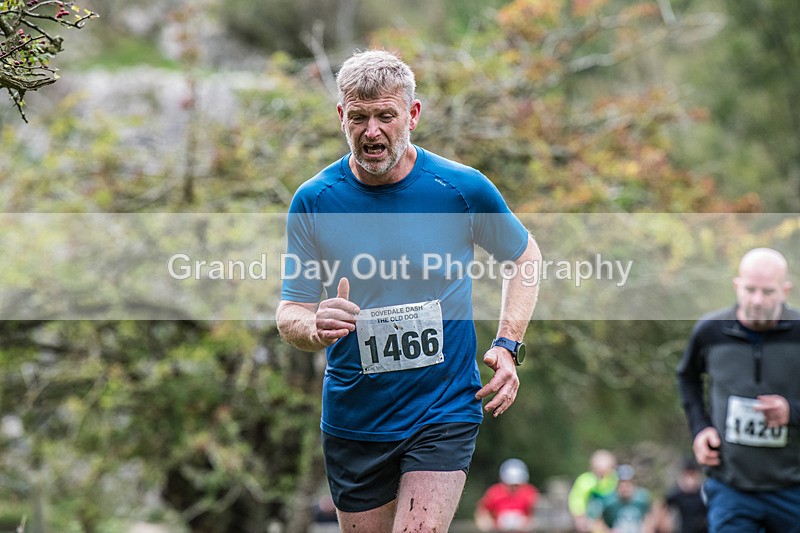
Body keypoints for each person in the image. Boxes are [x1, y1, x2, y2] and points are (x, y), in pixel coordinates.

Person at [276, 49, 541, 533]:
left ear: (412, 115)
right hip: (356, 419)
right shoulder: (314, 200)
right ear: (341, 117)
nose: (371, 131)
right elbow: (290, 311)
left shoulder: (460, 189)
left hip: (442, 409)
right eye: (358, 117)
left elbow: (524, 258)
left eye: (385, 116)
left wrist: (508, 342)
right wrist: (313, 326)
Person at [676, 247, 800, 532]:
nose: (757, 300)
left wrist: (790, 411)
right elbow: (687, 379)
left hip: (794, 486)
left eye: (768, 292)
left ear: (785, 290)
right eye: (750, 289)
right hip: (732, 487)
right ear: (737, 285)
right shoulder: (710, 331)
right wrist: (700, 428)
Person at [475, 458, 540, 532]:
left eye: (516, 485)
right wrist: (489, 525)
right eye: (510, 484)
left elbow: (538, 516)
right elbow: (482, 513)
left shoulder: (530, 493)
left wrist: (528, 524)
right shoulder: (494, 492)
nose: (514, 488)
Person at [587, 464, 654, 533]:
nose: (624, 488)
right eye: (621, 484)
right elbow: (596, 522)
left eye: (627, 483)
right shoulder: (608, 501)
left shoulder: (643, 498)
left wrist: (647, 528)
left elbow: (650, 518)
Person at [568, 449, 619, 532]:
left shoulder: (615, 479)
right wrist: (579, 517)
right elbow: (577, 501)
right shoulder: (585, 480)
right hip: (591, 520)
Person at [655, 458, 707, 533]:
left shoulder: (704, 492)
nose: (690, 479)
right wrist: (662, 523)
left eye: (692, 474)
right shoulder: (677, 494)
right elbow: (661, 505)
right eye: (687, 474)